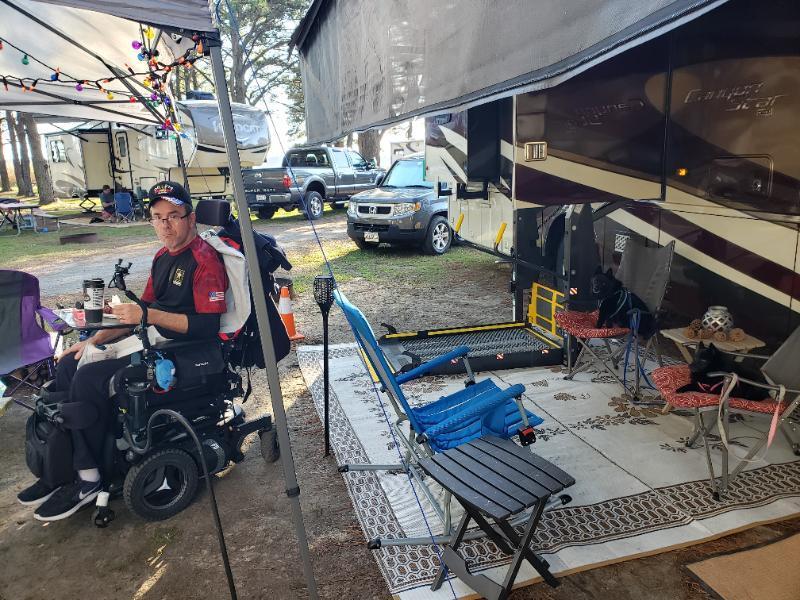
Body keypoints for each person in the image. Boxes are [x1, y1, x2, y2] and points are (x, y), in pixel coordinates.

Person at [17, 181, 229, 521]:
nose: (165, 225)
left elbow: (207, 326)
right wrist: (94, 340)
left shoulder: (205, 260)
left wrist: (148, 316)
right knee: (71, 364)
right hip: (152, 338)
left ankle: (89, 478)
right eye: (158, 217)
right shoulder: (162, 256)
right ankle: (65, 467)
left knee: (89, 379)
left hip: (186, 350)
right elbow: (140, 311)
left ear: (191, 219)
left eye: (174, 216)